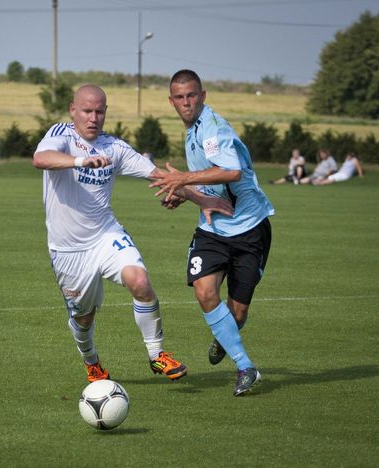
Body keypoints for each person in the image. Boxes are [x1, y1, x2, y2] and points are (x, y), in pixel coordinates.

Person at [32, 84, 233, 384]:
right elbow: (41, 159)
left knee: (140, 281)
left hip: (105, 234)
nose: (93, 117)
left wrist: (201, 199)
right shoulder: (60, 135)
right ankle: (92, 363)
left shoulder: (114, 148)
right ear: (73, 109)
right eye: (87, 110)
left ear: (106, 113)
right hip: (68, 250)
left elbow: (159, 175)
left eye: (99, 111)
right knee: (83, 319)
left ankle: (157, 356)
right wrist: (80, 161)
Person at [150, 69, 275, 396]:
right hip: (213, 231)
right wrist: (186, 194)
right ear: (171, 101)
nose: (186, 102)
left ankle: (226, 337)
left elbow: (231, 171)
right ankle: (246, 367)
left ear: (202, 95)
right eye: (179, 97)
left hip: (250, 229)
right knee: (205, 292)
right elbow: (213, 189)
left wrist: (183, 181)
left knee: (238, 313)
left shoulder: (213, 129)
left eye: (192, 95)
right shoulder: (190, 132)